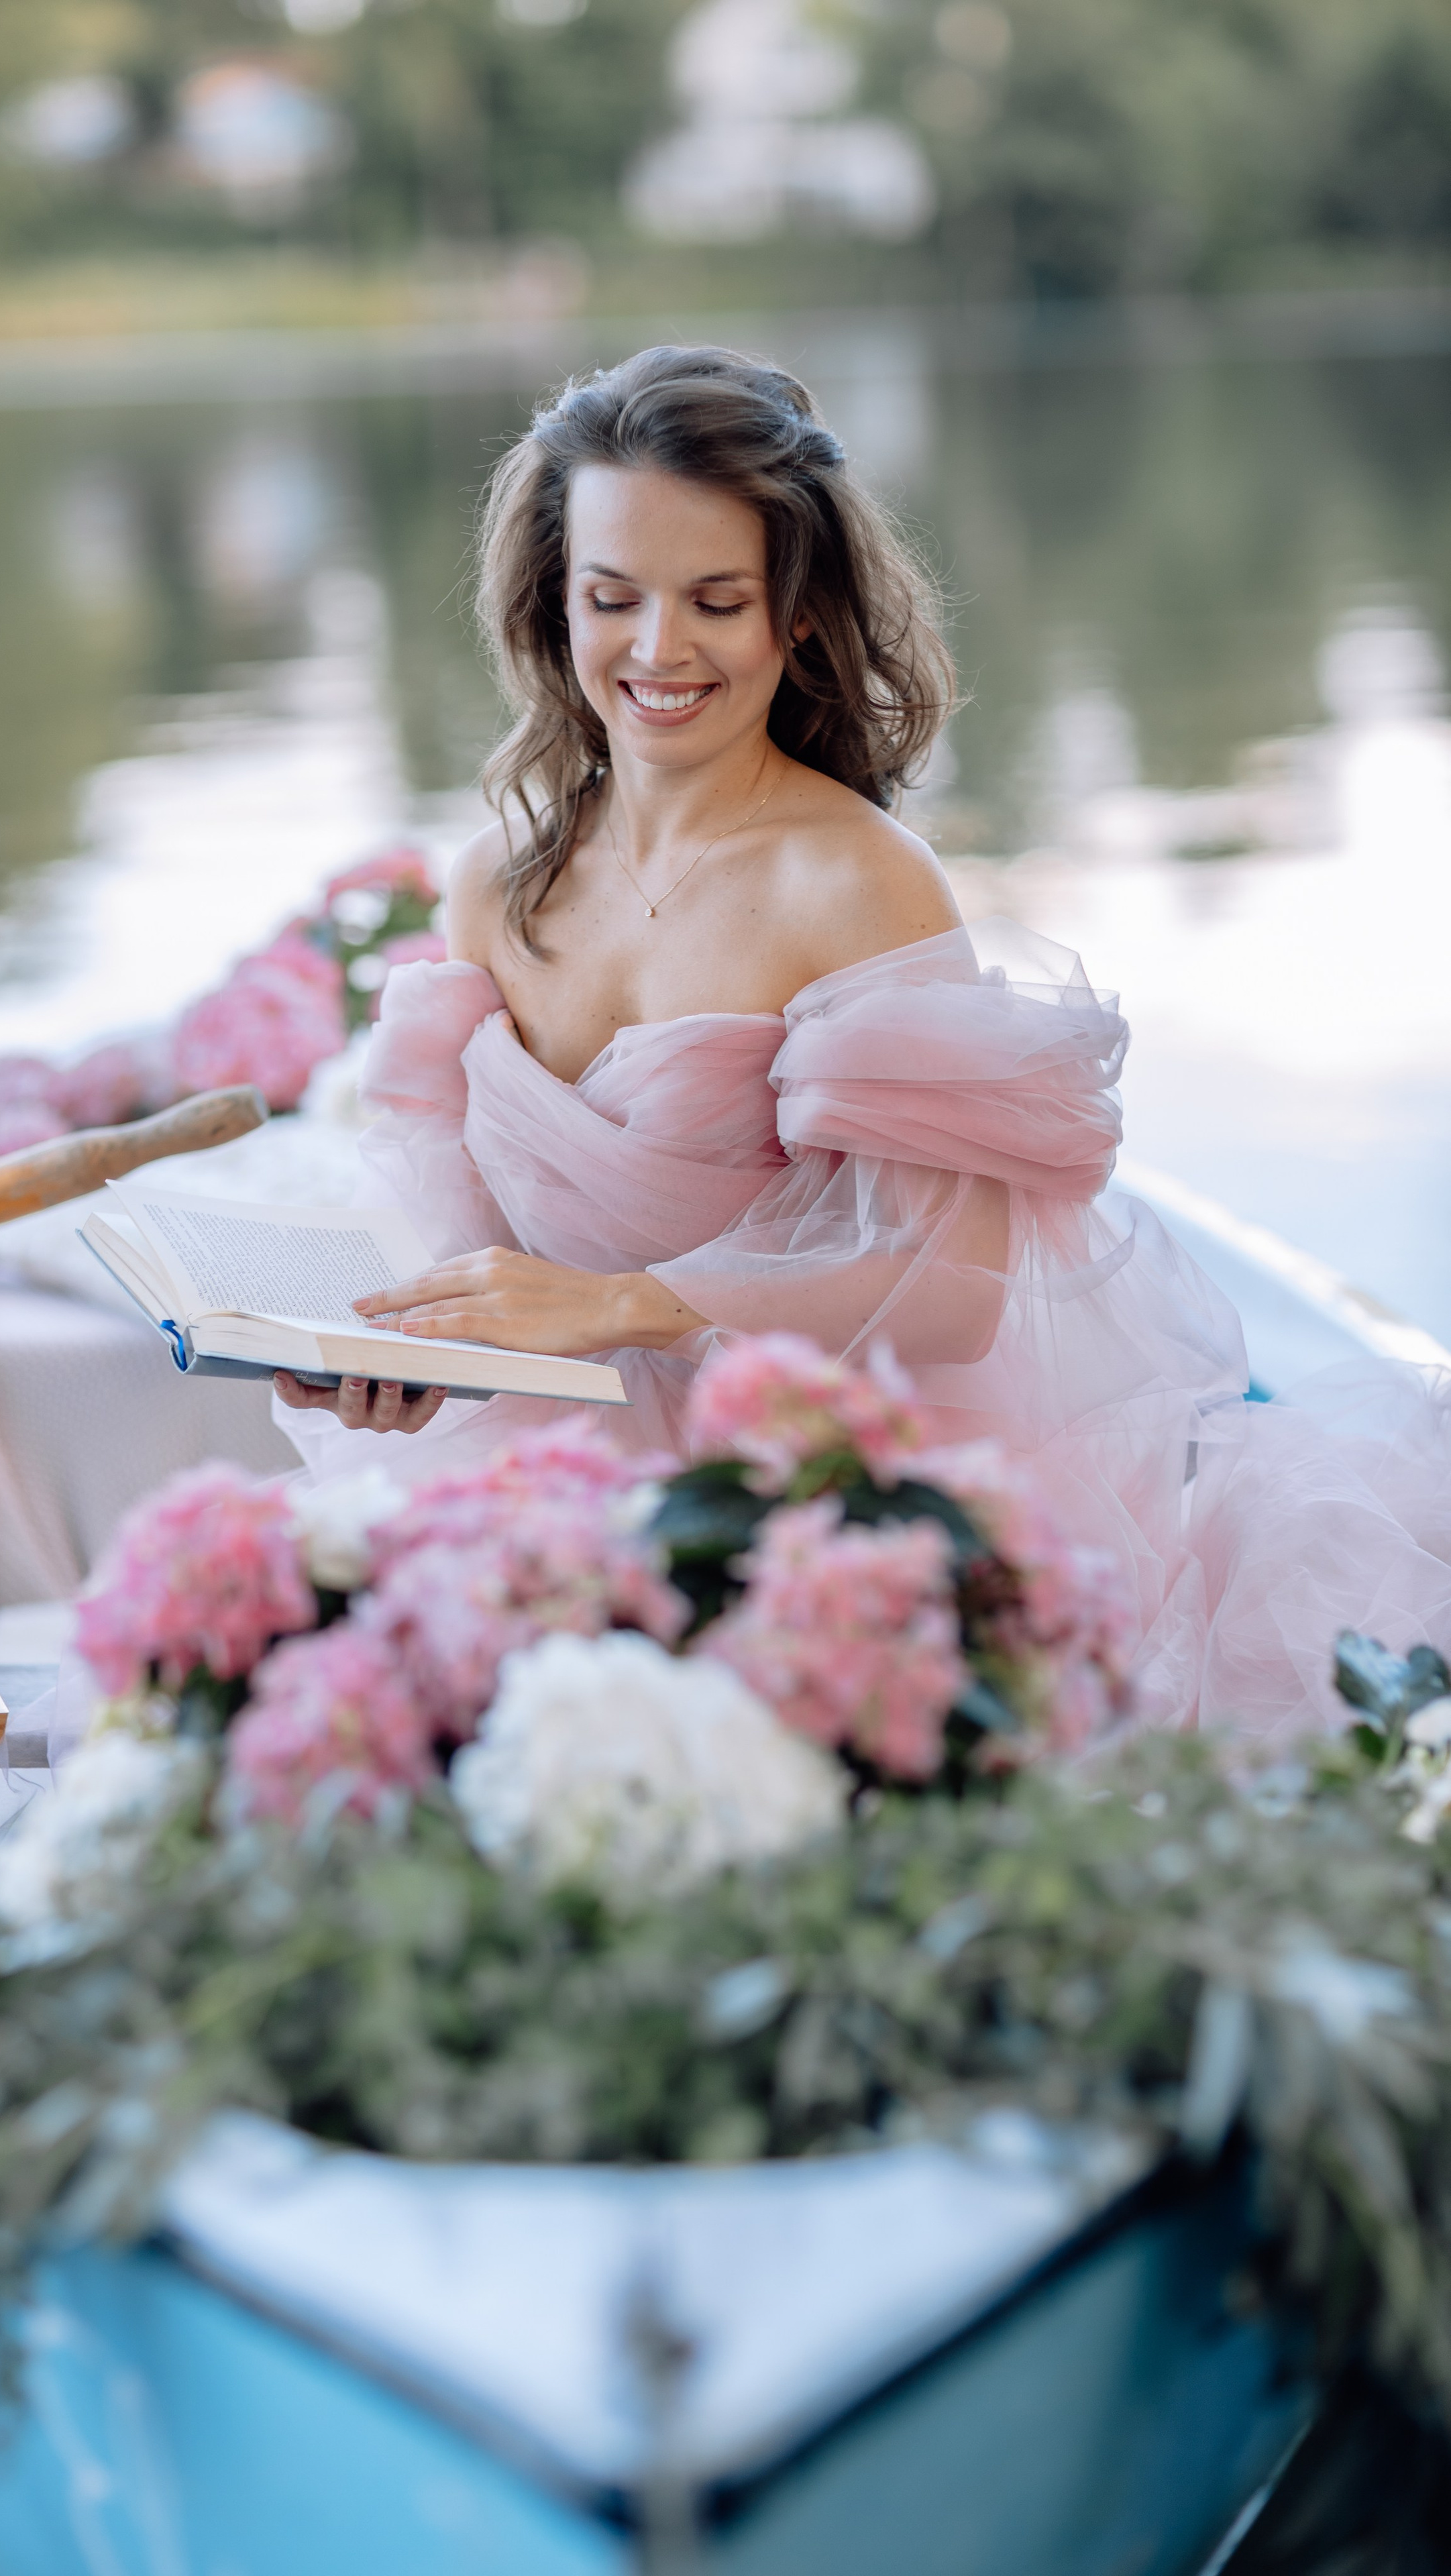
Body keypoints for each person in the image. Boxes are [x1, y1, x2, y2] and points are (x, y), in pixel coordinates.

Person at [274, 343, 1451, 1743]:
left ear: (800, 621)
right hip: (557, 1475)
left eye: (716, 600)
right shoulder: (495, 880)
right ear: (551, 605)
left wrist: (618, 1304)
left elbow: (949, 1289)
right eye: (612, 598)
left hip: (808, 1488)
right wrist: (418, 1351)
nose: (657, 650)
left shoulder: (857, 883)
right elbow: (450, 1222)